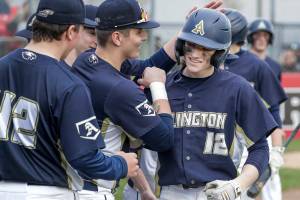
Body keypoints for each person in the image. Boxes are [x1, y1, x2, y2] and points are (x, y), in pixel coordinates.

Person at [0, 0, 139, 199]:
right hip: (46, 191)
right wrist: (121, 165)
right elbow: (85, 158)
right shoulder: (68, 84)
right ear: (71, 31)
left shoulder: (3, 65)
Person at [139, 8, 278, 200]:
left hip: (218, 191)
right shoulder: (163, 88)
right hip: (171, 193)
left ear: (219, 52)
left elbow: (260, 148)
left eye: (206, 48)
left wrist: (238, 185)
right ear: (182, 45)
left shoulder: (237, 88)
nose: (196, 54)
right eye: (191, 45)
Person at [72, 0, 178, 199]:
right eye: (138, 32)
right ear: (117, 37)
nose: (144, 37)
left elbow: (149, 65)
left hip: (74, 183)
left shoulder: (86, 60)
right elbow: (164, 139)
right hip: (93, 189)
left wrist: (185, 33)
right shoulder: (119, 89)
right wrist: (157, 87)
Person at [246, 18, 287, 200]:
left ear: (269, 39)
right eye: (257, 35)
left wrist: (278, 127)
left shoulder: (275, 66)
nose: (261, 39)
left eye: (265, 36)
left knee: (272, 171)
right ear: (250, 38)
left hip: (267, 124)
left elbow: (274, 102)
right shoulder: (243, 61)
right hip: (245, 124)